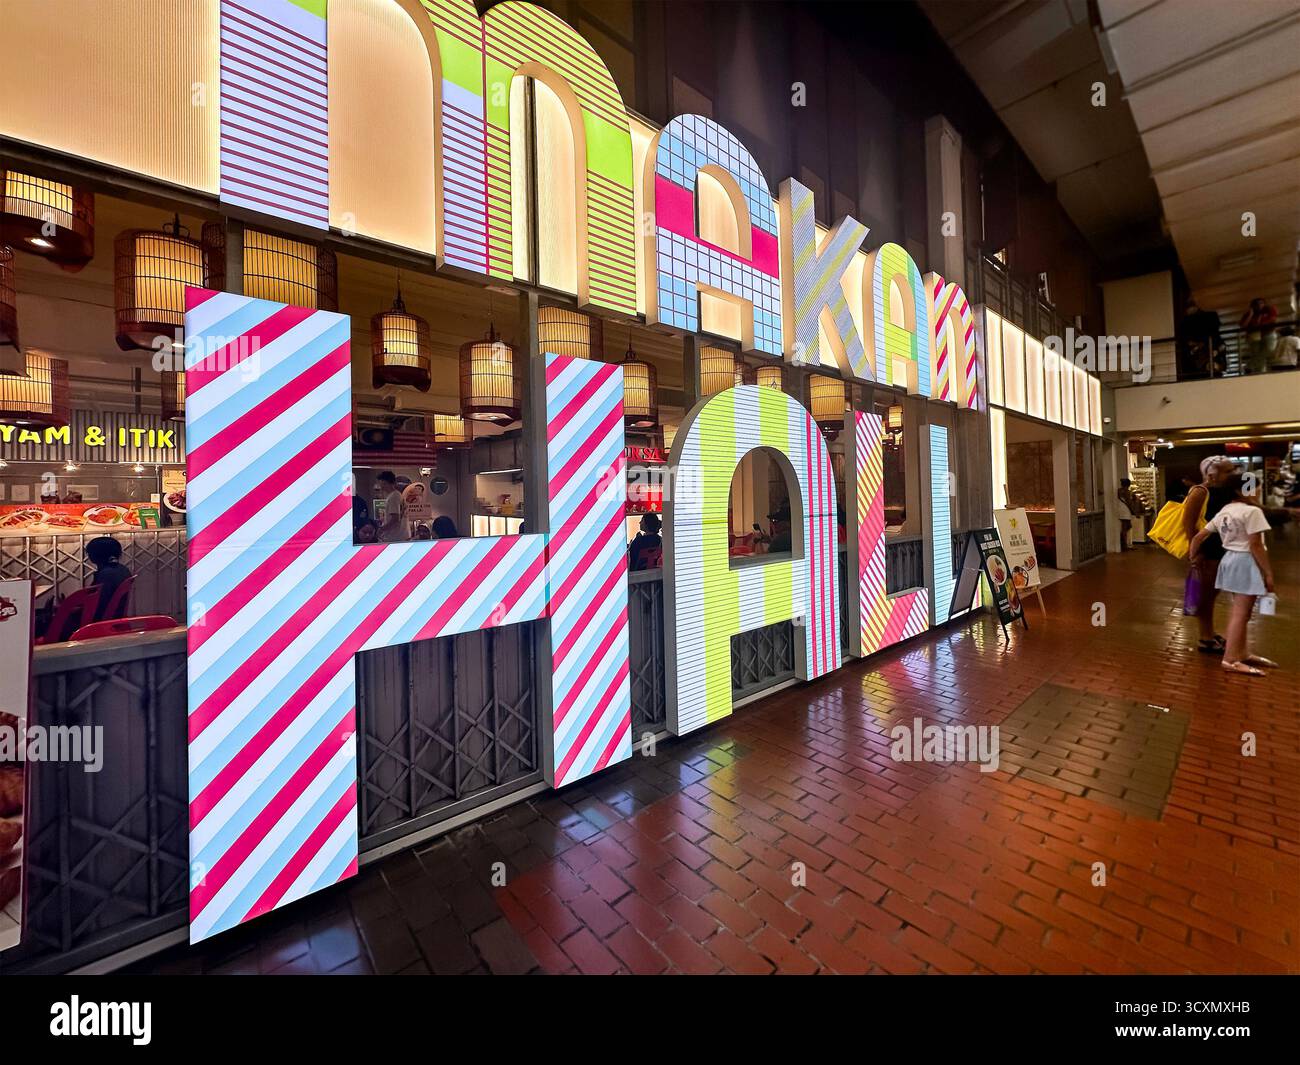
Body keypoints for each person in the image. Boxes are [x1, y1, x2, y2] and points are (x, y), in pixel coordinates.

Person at [1189, 472, 1277, 676]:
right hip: (1246, 562)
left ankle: (1242, 653)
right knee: (1241, 613)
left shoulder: (1226, 510)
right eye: (1253, 486)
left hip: (1229, 561)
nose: (1256, 490)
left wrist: (1192, 557)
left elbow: (1199, 536)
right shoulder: (1252, 512)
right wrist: (1268, 573)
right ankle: (1230, 659)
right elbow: (1256, 545)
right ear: (1240, 490)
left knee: (1242, 612)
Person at [1182, 456, 1236, 654]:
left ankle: (1209, 633)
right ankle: (1205, 637)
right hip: (1206, 551)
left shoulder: (1224, 491)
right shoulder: (1200, 492)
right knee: (1205, 595)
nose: (1233, 475)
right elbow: (1188, 524)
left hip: (1220, 547)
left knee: (1212, 594)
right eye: (1228, 471)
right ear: (1213, 473)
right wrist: (1194, 552)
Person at [85, 536, 131, 621]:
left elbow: (98, 604)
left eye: (89, 553)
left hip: (99, 621)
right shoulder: (123, 569)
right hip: (115, 617)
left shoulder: (106, 575)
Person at [374, 471, 408, 543]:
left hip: (395, 537)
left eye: (380, 483)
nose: (380, 485)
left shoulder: (393, 497)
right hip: (401, 536)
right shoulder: (397, 494)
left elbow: (395, 518)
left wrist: (382, 529)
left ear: (384, 482)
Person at [1116, 478, 1135, 550]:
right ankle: (1123, 545)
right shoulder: (1126, 492)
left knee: (1127, 526)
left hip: (1121, 510)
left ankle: (1123, 542)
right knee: (1126, 527)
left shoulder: (1119, 491)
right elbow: (1129, 502)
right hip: (1125, 511)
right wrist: (1134, 512)